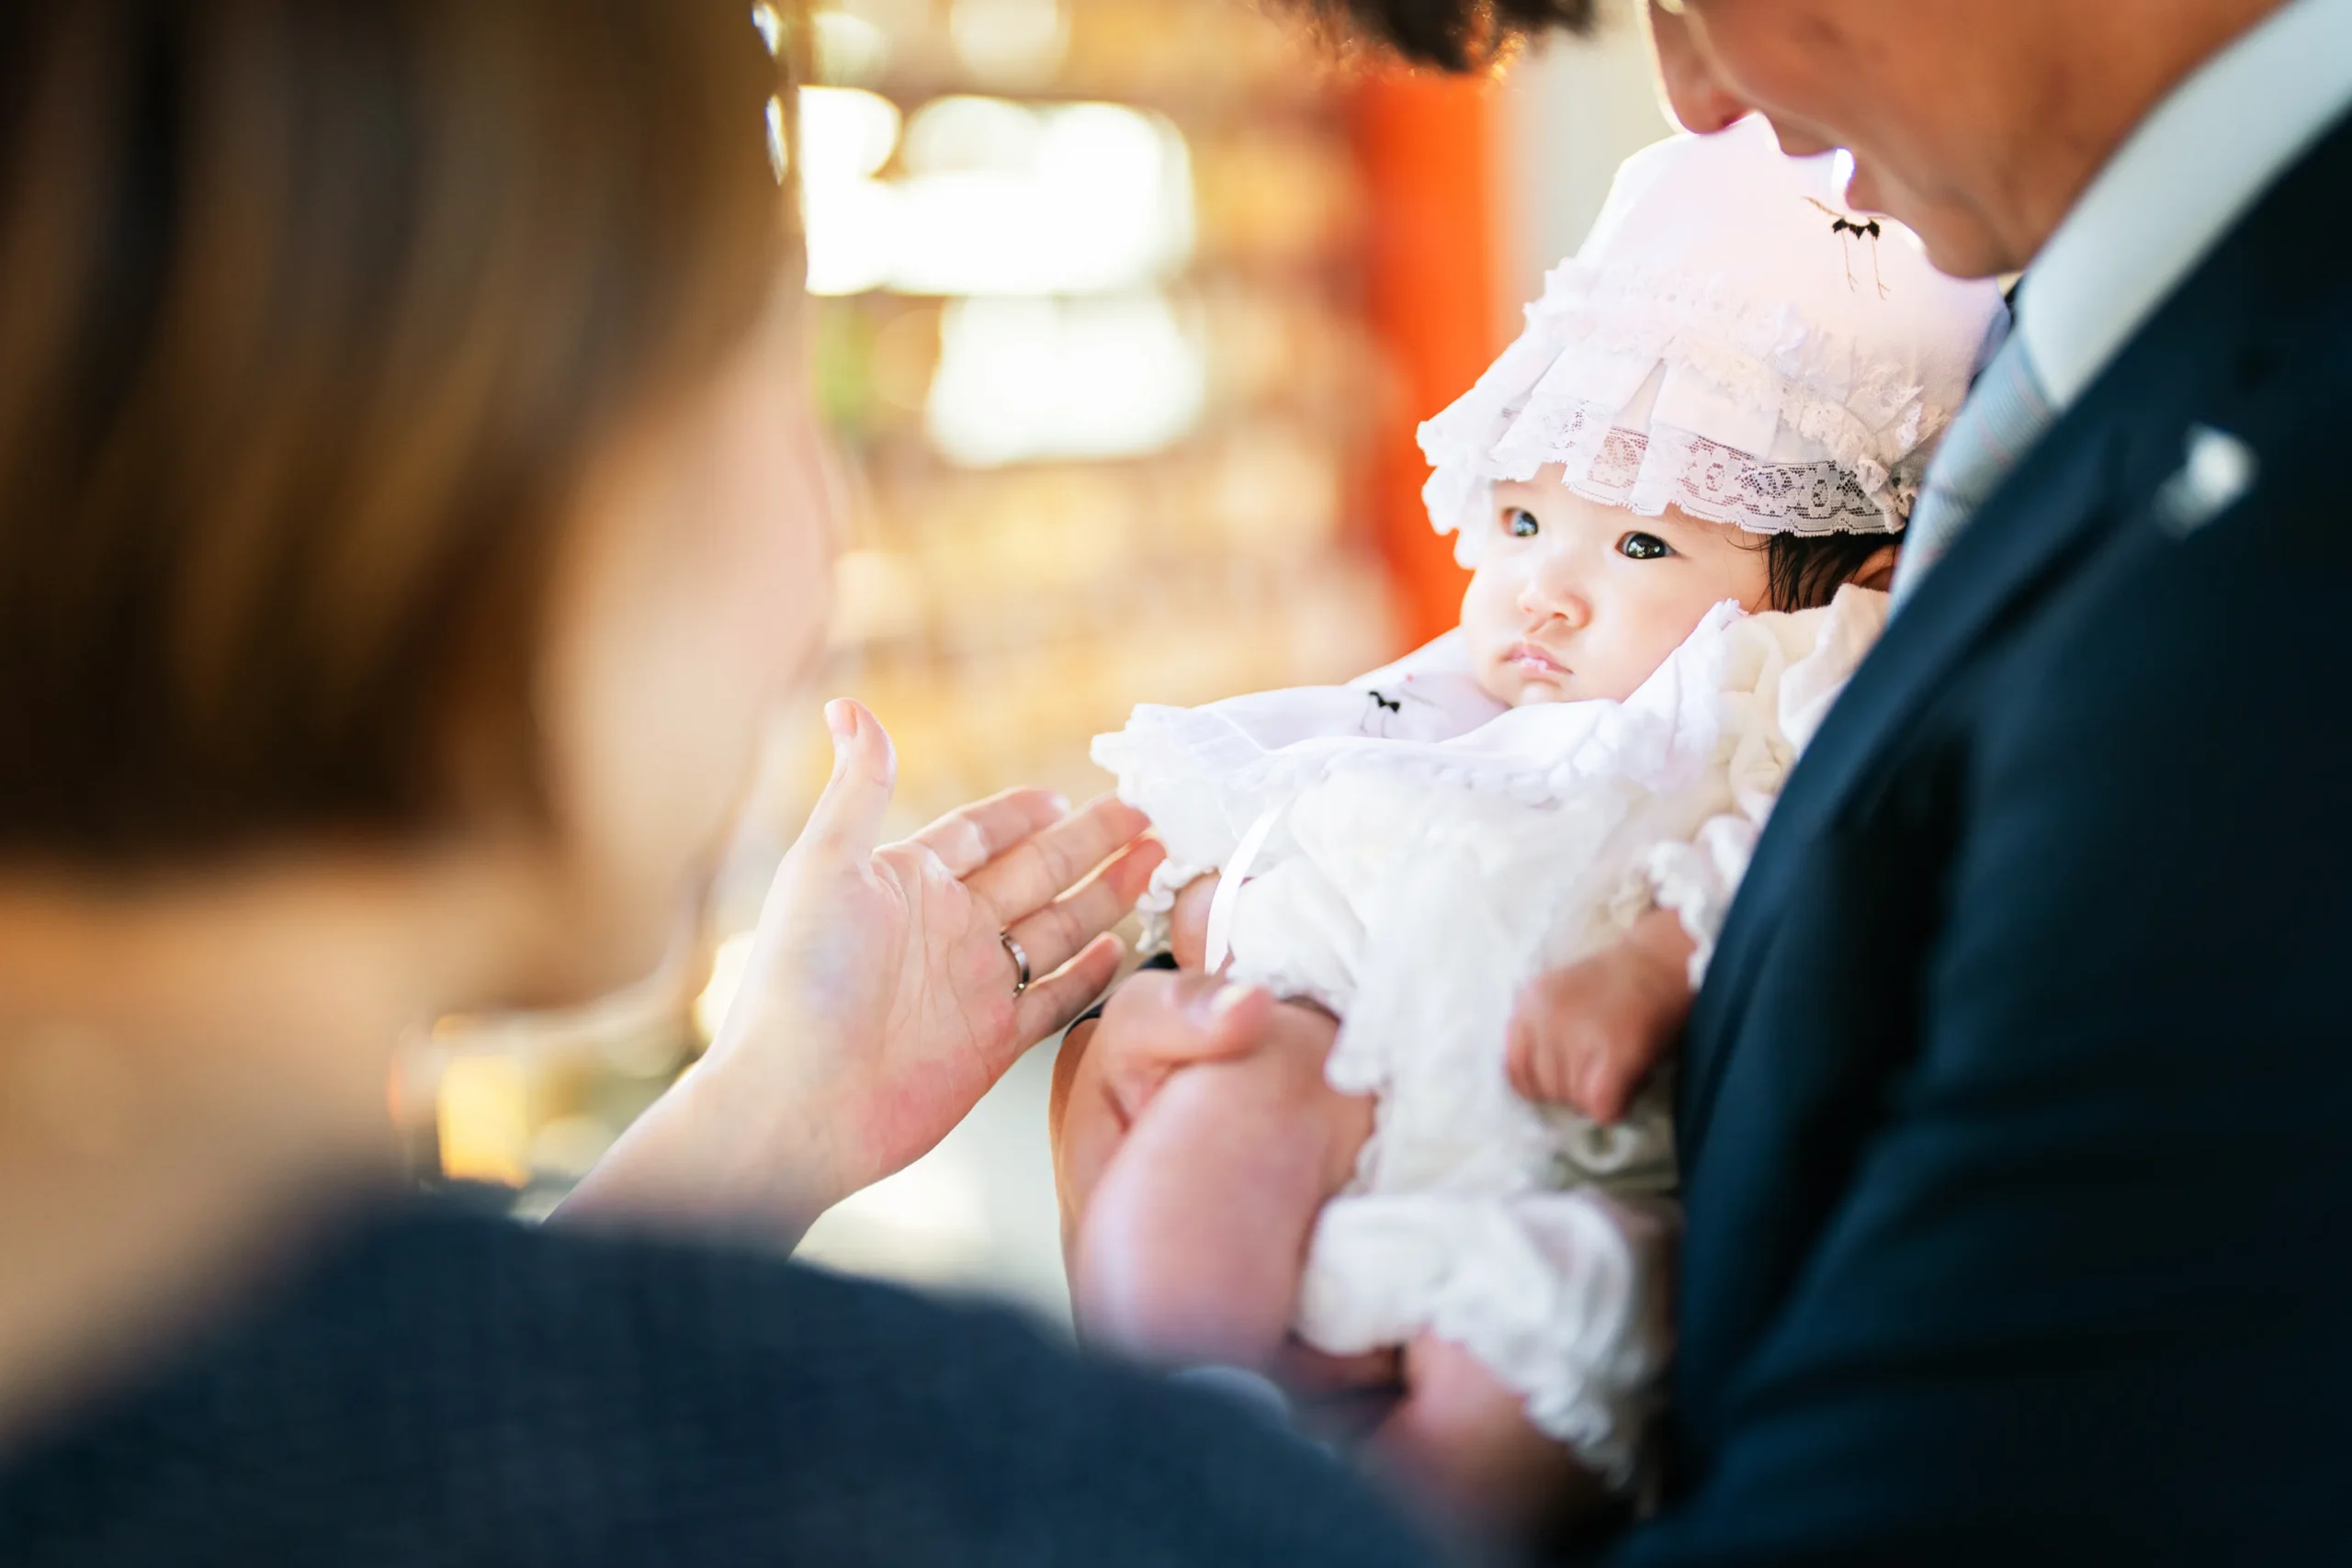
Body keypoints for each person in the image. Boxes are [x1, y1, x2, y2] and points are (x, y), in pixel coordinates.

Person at [0, 4, 1440, 1562]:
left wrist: (768, 1125)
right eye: (771, 346)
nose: (823, 538)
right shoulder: (988, 1491)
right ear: (511, 451)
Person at [1057, 0, 2352, 1559]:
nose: (1690, 90)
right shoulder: (2071, 331)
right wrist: (1175, 1023)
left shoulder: (2269, 519)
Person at [1062, 118, 2001, 1529]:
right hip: (1346, 1060)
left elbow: (1800, 838)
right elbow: (1293, 790)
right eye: (1517, 521)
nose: (1540, 592)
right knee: (1216, 1126)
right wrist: (1217, 901)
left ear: (1839, 580)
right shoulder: (1460, 687)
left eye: (1639, 544)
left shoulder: (1786, 678)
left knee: (1538, 1374)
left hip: (1555, 1143)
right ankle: (1177, 1434)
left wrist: (1655, 963)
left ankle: (1390, 1531)